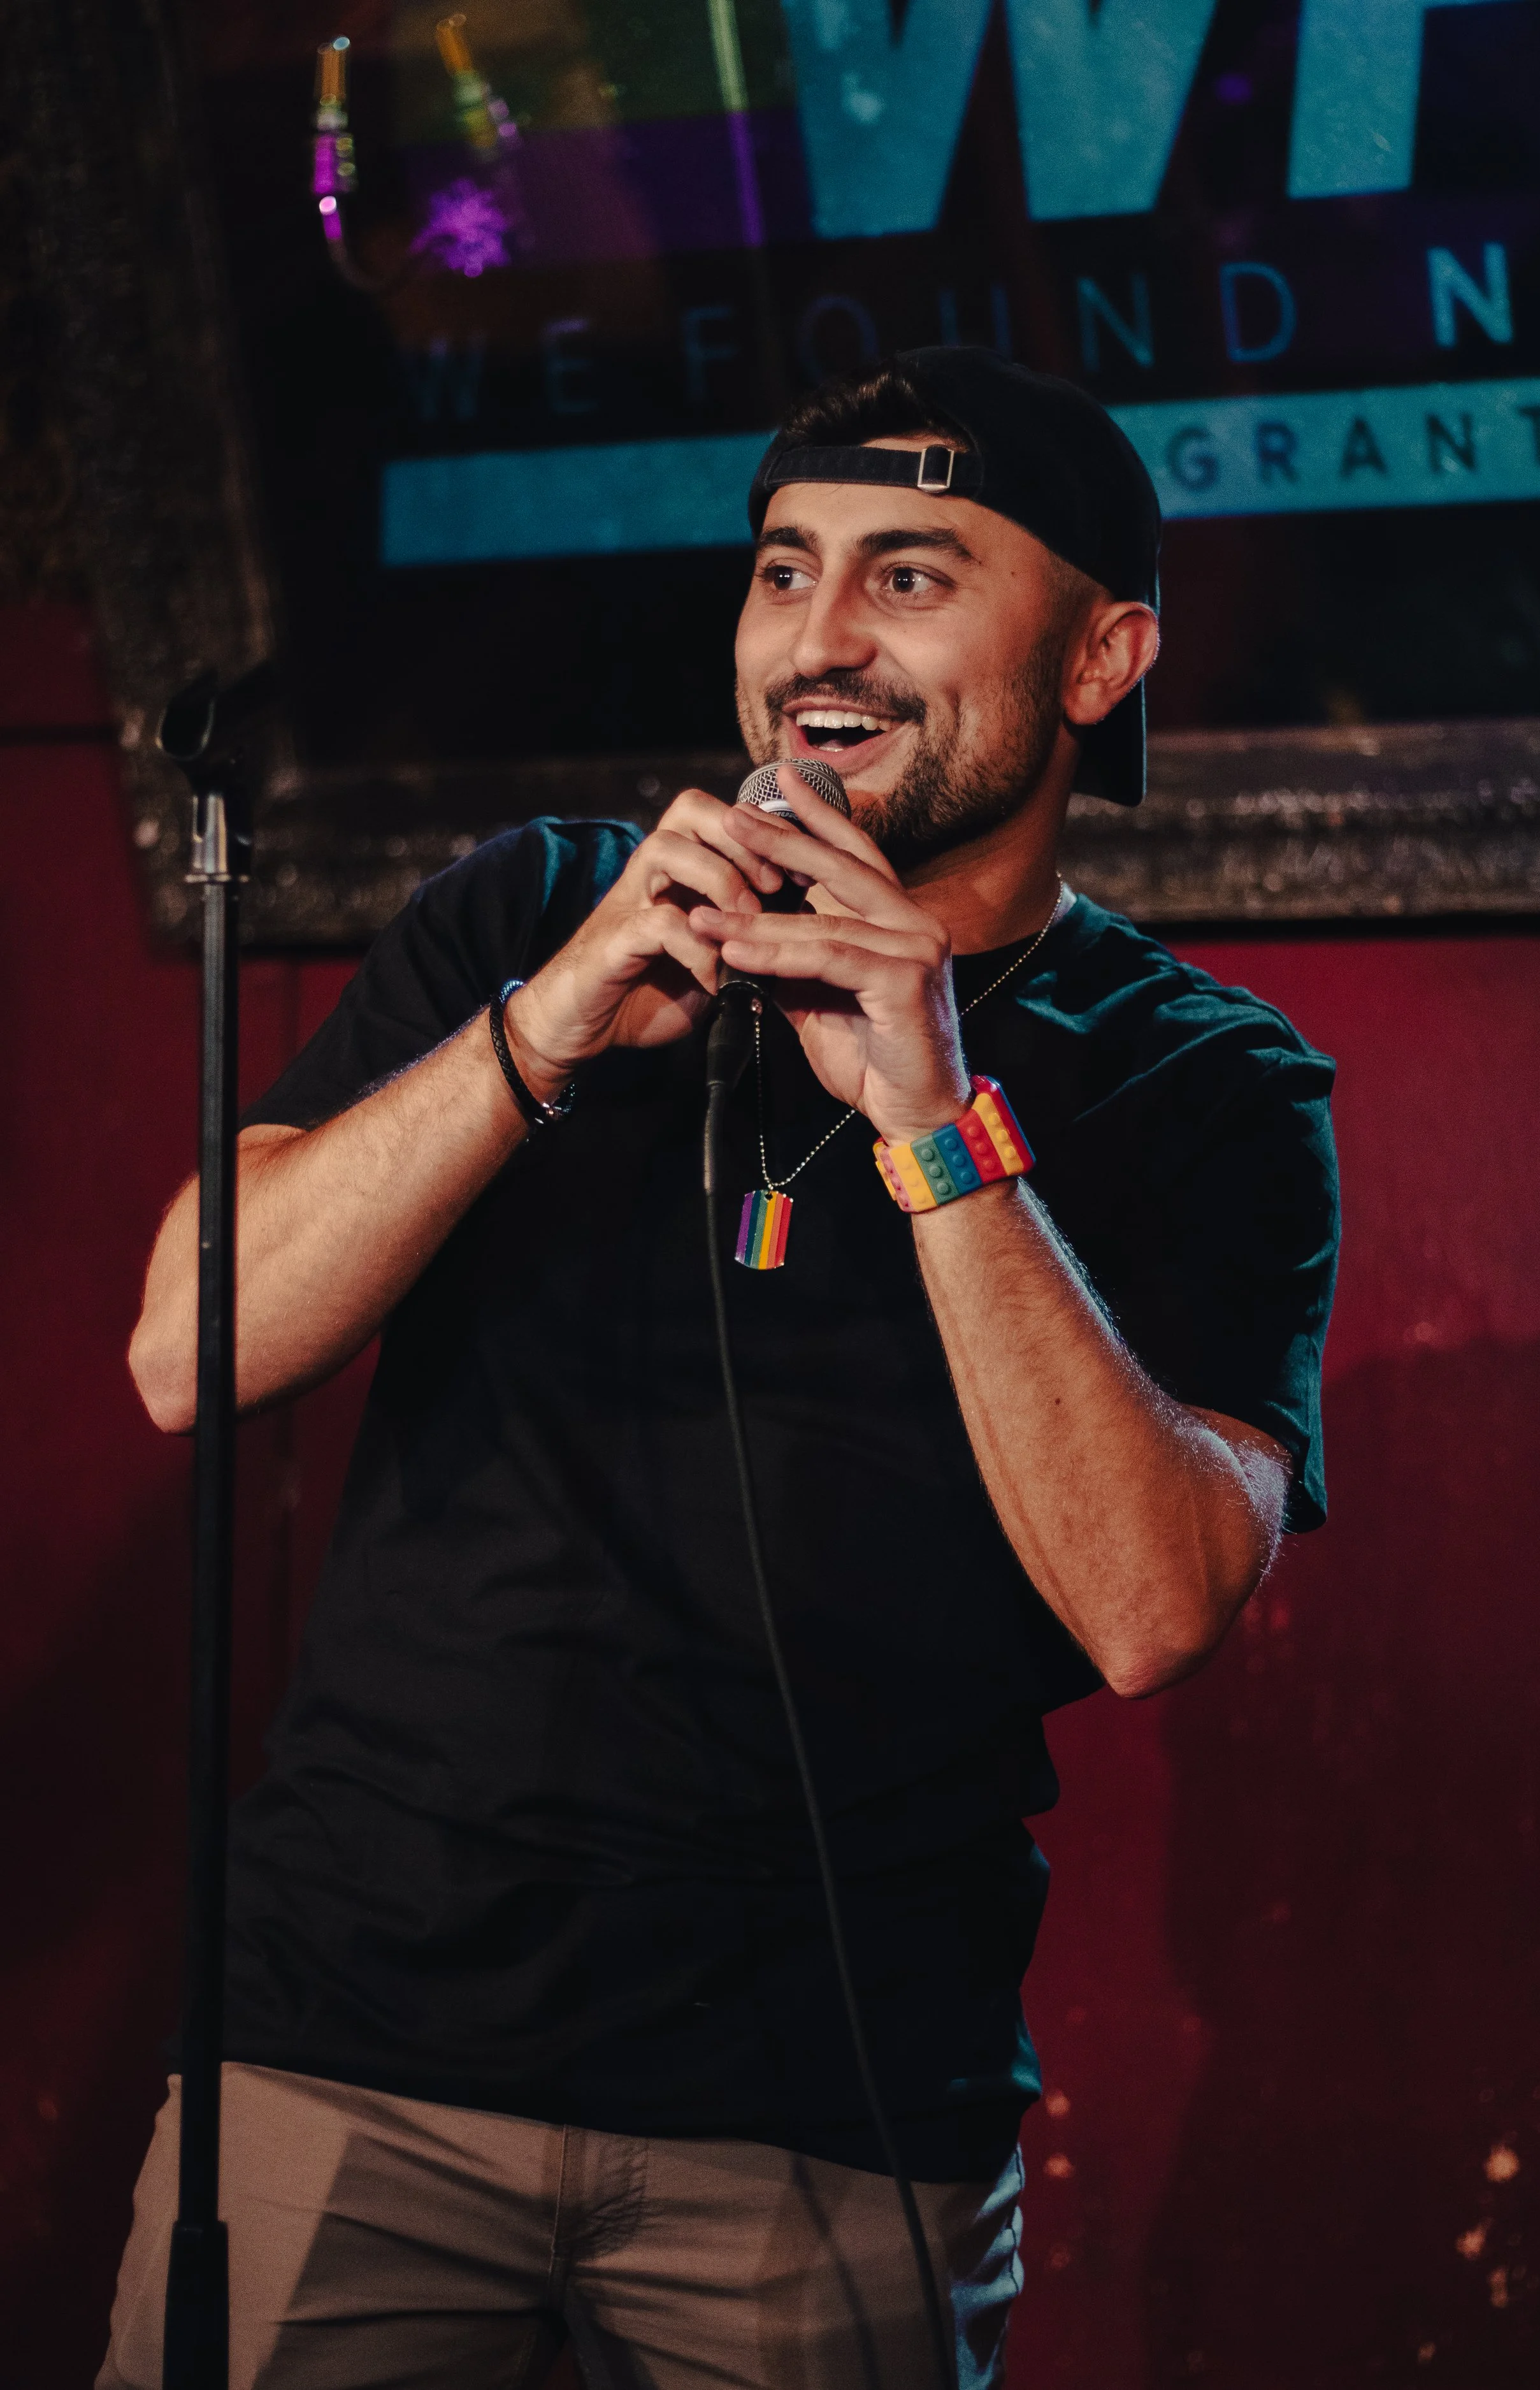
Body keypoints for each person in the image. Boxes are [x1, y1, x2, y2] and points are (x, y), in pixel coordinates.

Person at [106, 347, 1339, 2389]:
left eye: (911, 577)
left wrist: (936, 1121)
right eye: (784, 569)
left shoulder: (1205, 1083)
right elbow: (184, 1347)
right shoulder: (528, 917)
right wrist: (541, 1032)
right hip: (357, 2056)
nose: (818, 641)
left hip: (828, 2128)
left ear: (1100, 659)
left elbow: (1151, 1608)